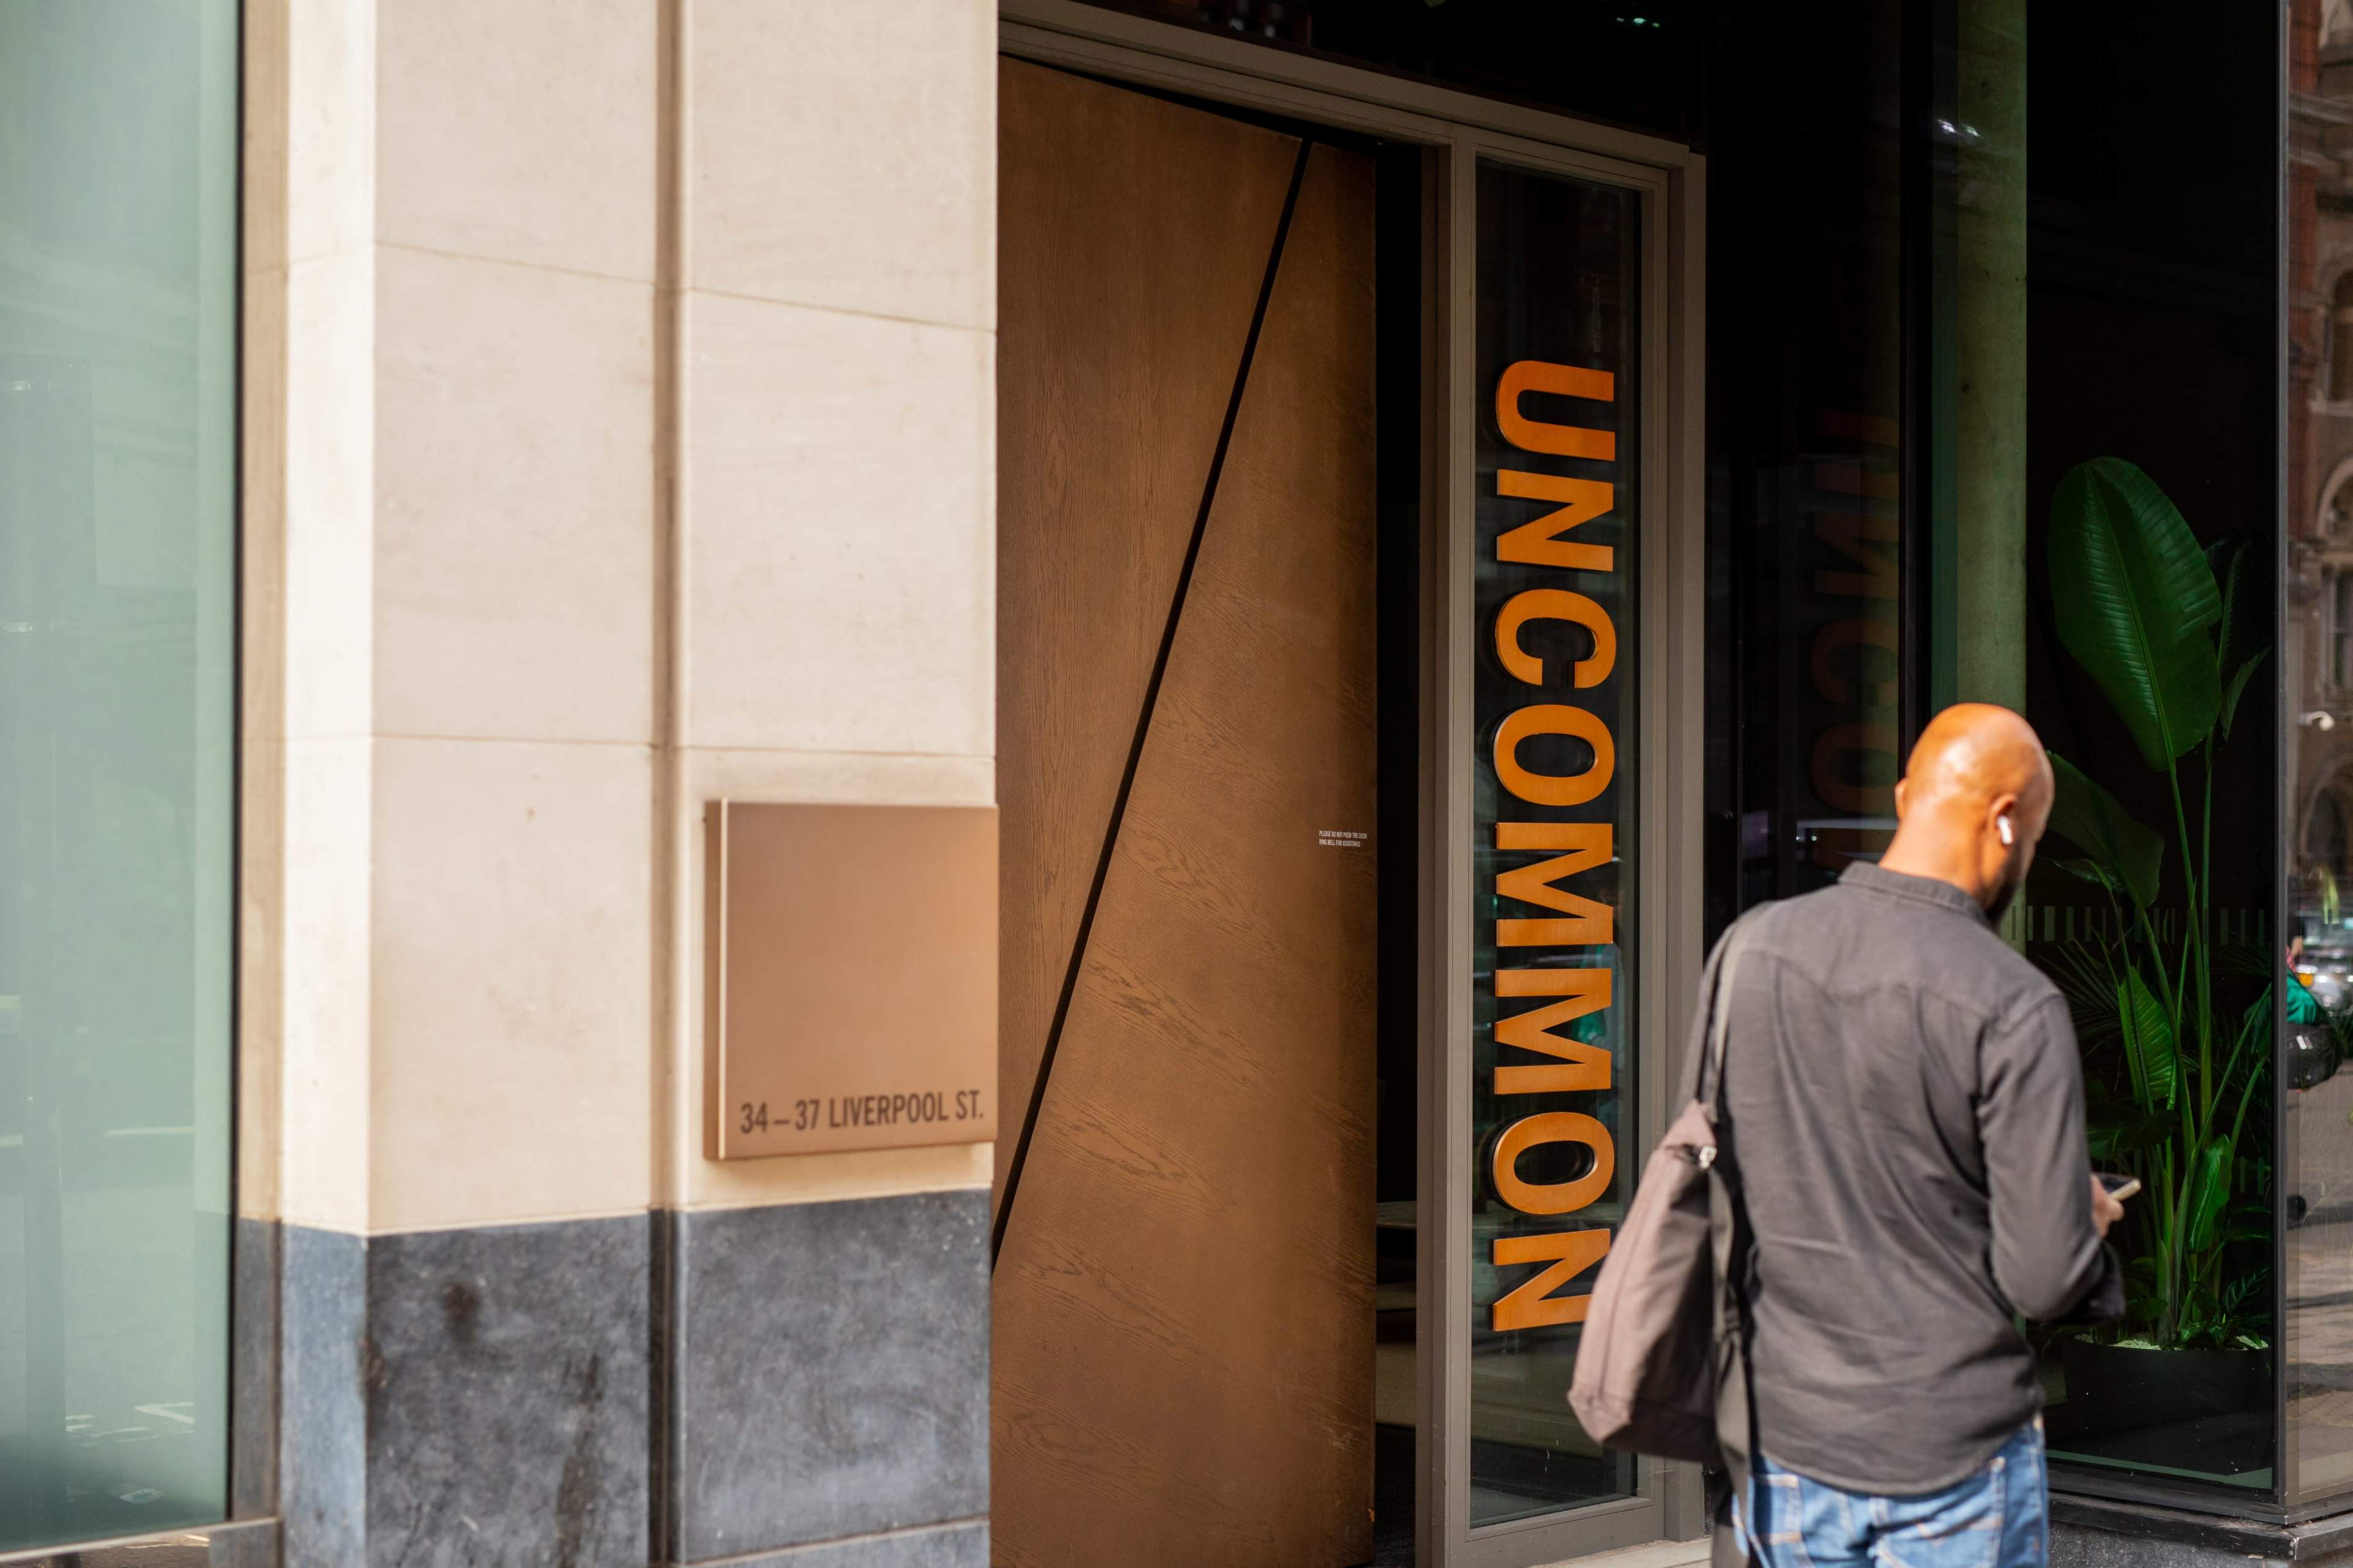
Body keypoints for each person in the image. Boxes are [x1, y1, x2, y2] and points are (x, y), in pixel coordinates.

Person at [1700, 702, 2123, 1568]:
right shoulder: (2013, 1001)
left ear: (1905, 796)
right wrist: (2082, 1224)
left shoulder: (1753, 950)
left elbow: (1713, 1179)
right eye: (2036, 839)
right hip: (1950, 1452)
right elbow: (2042, 1278)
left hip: (1786, 1437)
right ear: (2007, 823)